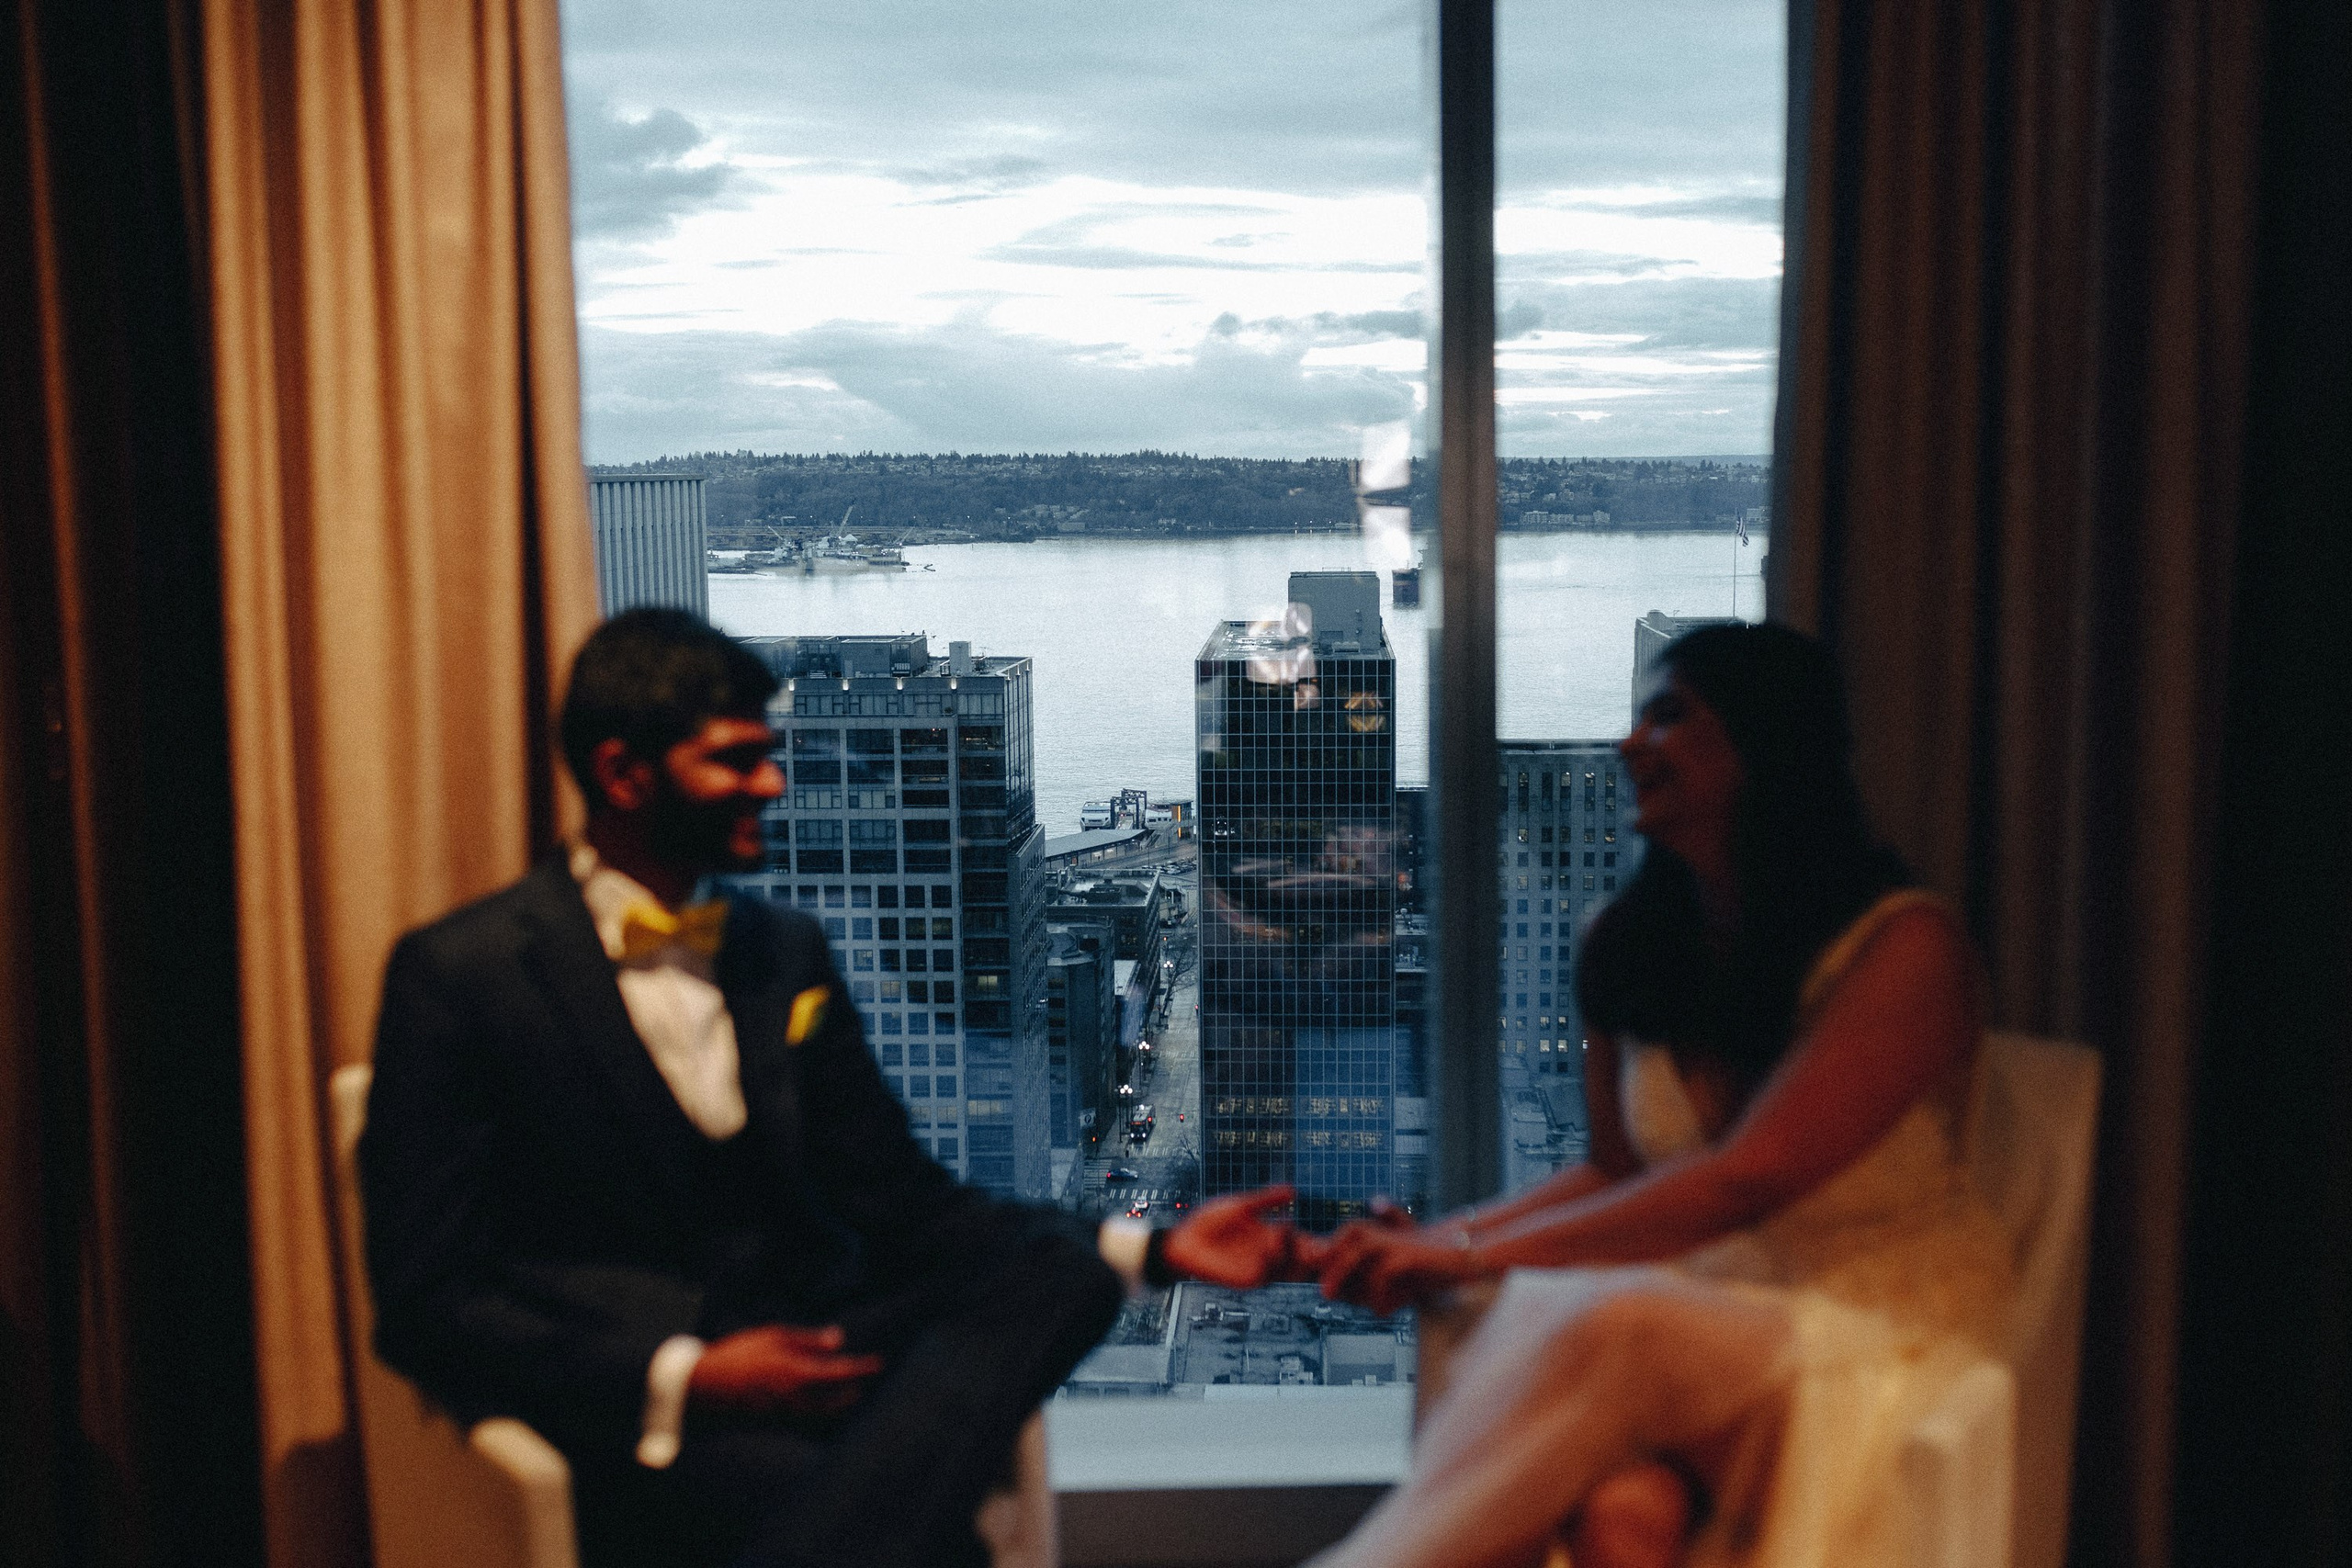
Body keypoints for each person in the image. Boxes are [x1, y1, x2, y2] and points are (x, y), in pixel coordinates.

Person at [359, 608, 1297, 1568]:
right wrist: (690, 1374)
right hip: (640, 1417)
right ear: (622, 774)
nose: (770, 784)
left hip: (818, 1347)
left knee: (1059, 1274)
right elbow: (429, 1299)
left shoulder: (780, 950)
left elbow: (900, 1199)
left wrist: (1160, 1249)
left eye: (769, 755)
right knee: (893, 1519)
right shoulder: (460, 976)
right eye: (732, 761)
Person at [1299, 623, 2014, 1568]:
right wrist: (1430, 1244)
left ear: (1766, 744)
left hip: (1883, 1338)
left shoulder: (1904, 951)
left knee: (1607, 1321)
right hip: (1713, 1324)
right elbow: (1614, 1173)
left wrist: (1470, 1254)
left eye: (1669, 716)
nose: (1630, 744)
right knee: (1621, 1515)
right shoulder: (1631, 945)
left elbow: (1736, 1184)